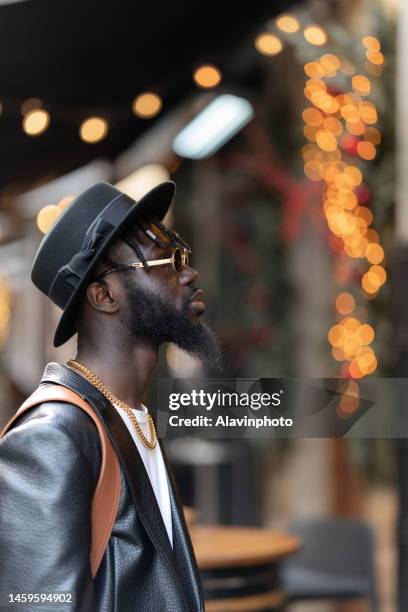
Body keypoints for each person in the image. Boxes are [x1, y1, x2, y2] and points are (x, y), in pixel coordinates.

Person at [0, 181, 221, 611]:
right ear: (104, 295)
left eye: (184, 256)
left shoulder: (129, 416)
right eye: (168, 262)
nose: (189, 273)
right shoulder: (52, 438)